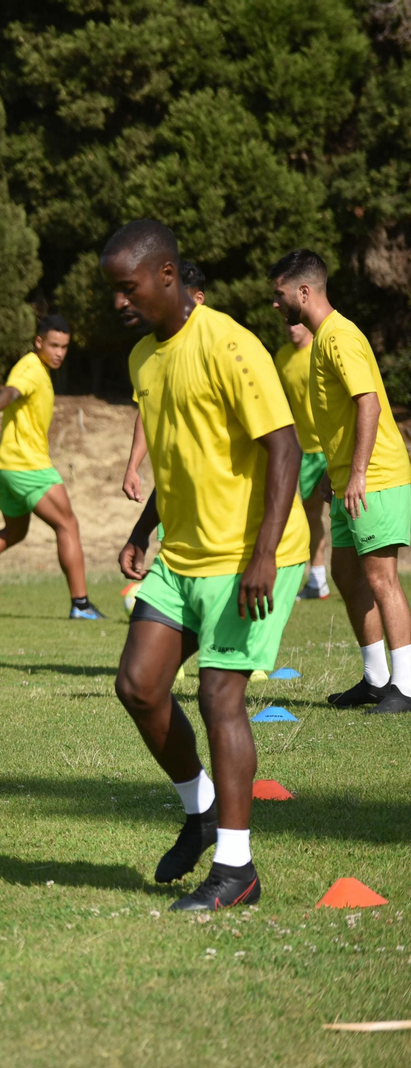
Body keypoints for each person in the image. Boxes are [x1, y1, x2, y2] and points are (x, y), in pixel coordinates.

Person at [106, 219, 308, 911]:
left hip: (248, 556)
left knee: (220, 698)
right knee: (137, 686)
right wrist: (144, 528)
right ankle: (199, 810)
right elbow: (182, 457)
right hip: (183, 554)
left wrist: (263, 552)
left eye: (126, 289)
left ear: (167, 277)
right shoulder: (144, 359)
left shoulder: (229, 344)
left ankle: (236, 868)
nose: (119, 303)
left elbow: (283, 447)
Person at [272, 249, 411, 714]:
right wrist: (337, 474)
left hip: (376, 478)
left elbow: (368, 402)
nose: (277, 305)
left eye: (280, 295)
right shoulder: (320, 339)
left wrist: (356, 473)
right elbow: (341, 416)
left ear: (304, 292)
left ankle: (407, 687)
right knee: (346, 574)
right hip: (350, 478)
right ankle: (376, 680)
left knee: (381, 578)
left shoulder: (340, 337)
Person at [0, 316, 101, 619]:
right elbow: (11, 392)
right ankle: (81, 605)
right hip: (27, 466)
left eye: (64, 347)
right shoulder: (30, 367)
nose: (59, 353)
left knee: (15, 530)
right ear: (38, 342)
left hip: (7, 466)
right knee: (68, 525)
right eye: (53, 345)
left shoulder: (38, 369)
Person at [122, 262, 205, 503]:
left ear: (198, 299)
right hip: (170, 487)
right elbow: (148, 412)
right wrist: (132, 467)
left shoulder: (220, 344)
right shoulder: (142, 353)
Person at [270, 313, 331, 600]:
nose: (291, 328)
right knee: (310, 516)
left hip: (332, 448)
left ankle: (367, 576)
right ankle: (317, 581)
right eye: (287, 323)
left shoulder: (322, 349)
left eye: (296, 322)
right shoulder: (281, 356)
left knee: (349, 515)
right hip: (305, 452)